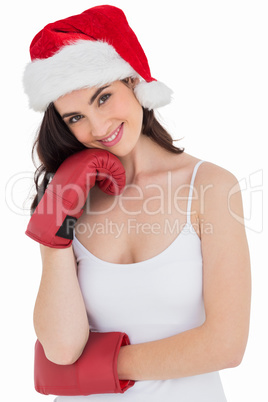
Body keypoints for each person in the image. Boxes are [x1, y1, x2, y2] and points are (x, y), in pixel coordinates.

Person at [23, 5, 251, 402]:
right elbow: (61, 349)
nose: (96, 127)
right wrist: (53, 230)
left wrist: (100, 368)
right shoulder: (71, 198)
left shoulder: (210, 187)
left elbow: (226, 345)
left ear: (134, 81)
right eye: (75, 117)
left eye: (104, 97)